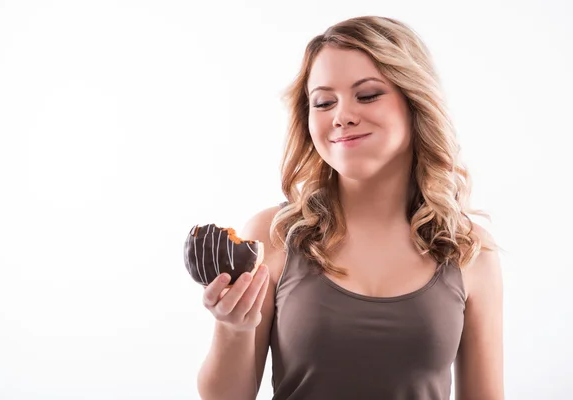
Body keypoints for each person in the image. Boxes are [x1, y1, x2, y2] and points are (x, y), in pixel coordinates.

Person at [196, 15, 503, 400]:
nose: (342, 116)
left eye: (368, 94)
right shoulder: (272, 236)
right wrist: (234, 328)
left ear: (414, 102)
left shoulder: (470, 251)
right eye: (324, 102)